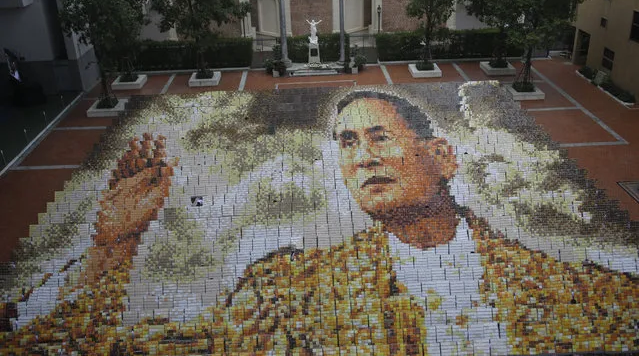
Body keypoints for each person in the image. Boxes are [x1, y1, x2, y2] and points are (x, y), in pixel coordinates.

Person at [1, 91, 638, 355]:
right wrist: (110, 251)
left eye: (380, 137)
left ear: (441, 156)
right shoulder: (287, 292)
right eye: (347, 143)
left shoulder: (589, 295)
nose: (362, 157)